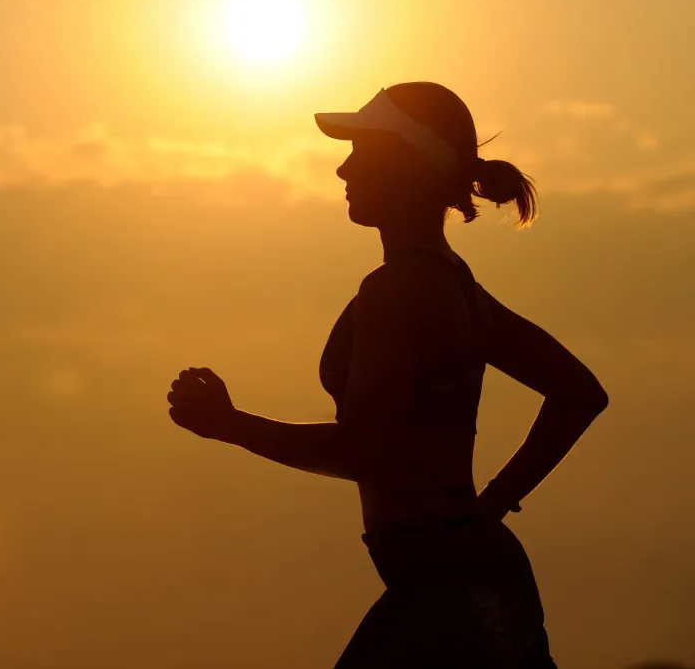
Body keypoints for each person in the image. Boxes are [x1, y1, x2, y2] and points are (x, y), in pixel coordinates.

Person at [166, 82, 609, 668]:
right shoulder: (455, 286)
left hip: (447, 597)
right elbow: (579, 393)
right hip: (471, 582)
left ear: (408, 166)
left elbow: (364, 450)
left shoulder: (400, 290)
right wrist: (492, 502)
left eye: (362, 152)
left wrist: (229, 425)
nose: (342, 169)